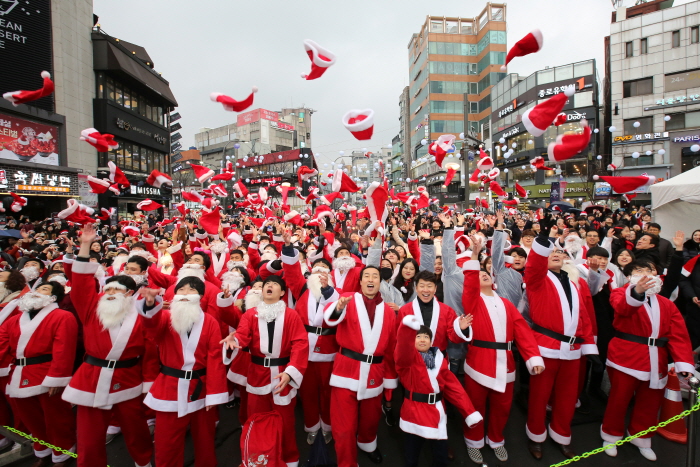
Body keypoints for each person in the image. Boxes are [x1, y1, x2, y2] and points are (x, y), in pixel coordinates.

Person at [63, 223, 154, 467]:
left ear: (130, 294)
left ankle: (143, 461)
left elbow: (150, 353)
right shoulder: (91, 309)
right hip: (91, 376)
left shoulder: (142, 317)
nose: (111, 292)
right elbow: (80, 284)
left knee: (136, 430)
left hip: (128, 377)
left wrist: (148, 382)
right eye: (109, 288)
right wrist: (84, 246)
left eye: (119, 289)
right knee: (89, 436)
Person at [460, 236, 544, 463]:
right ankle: (474, 441)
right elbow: (468, 282)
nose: (482, 275)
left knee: (502, 406)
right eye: (478, 274)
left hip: (505, 362)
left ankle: (496, 439)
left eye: (485, 273)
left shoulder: (506, 304)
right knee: (475, 406)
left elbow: (522, 331)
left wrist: (533, 357)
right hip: (479, 361)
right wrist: (475, 256)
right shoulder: (473, 300)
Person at [602, 261, 695, 461]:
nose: (645, 274)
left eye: (649, 270)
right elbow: (623, 308)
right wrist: (637, 292)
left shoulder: (666, 303)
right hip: (626, 356)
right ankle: (611, 435)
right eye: (639, 271)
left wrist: (684, 362)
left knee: (650, 402)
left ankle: (641, 437)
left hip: (657, 358)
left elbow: (678, 334)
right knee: (619, 400)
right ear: (629, 277)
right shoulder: (620, 293)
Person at [524, 216, 599, 460]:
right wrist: (543, 239)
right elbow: (534, 264)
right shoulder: (537, 280)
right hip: (546, 347)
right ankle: (535, 436)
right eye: (550, 253)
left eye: (559, 252)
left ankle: (561, 433)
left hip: (574, 349)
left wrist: (589, 347)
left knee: (567, 397)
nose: (555, 254)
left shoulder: (576, 284)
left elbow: (584, 319)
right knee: (539, 396)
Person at [138, 277, 229, 467]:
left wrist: (214, 395)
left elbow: (215, 359)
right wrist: (149, 304)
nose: (186, 293)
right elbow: (151, 326)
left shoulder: (210, 321)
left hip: (201, 387)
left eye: (192, 290)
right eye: (182, 289)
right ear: (174, 294)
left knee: (205, 441)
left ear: (200, 297)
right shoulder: (164, 317)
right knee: (167, 443)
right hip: (169, 386)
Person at [222, 274, 308, 467]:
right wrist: (232, 342)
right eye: (267, 284)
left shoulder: (292, 315)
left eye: (275, 284)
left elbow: (300, 344)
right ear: (262, 291)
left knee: (285, 423)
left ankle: (288, 459)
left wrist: (291, 372)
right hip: (257, 375)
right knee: (256, 419)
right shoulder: (250, 314)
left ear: (283, 293)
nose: (269, 286)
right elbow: (242, 337)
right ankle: (255, 459)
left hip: (282, 375)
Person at [323, 266, 398, 467]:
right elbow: (330, 318)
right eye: (367, 276)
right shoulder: (348, 299)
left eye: (375, 276)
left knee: (370, 420)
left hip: (375, 372)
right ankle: (346, 462)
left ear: (380, 282)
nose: (371, 279)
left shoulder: (389, 312)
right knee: (344, 426)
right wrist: (338, 307)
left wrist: (390, 379)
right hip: (346, 370)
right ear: (361, 281)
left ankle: (367, 444)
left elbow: (391, 349)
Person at [0, 281, 78, 467]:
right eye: (37, 288)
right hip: (19, 373)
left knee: (56, 418)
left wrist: (57, 378)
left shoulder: (62, 317)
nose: (36, 292)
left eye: (44, 289)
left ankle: (63, 453)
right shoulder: (14, 320)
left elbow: (64, 349)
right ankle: (43, 451)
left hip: (47, 372)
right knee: (32, 420)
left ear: (53, 297)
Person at [396, 318, 481, 467]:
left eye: (426, 337)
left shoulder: (440, 361)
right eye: (418, 336)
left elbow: (454, 388)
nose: (422, 339)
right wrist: (406, 329)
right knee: (411, 458)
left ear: (431, 341)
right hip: (414, 413)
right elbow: (402, 349)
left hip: (437, 412)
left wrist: (469, 412)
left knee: (441, 458)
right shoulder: (407, 360)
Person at [281, 233, 339, 445]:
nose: (321, 272)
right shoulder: (302, 288)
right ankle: (312, 425)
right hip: (304, 349)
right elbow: (291, 271)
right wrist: (288, 246)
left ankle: (328, 425)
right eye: (318, 269)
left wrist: (329, 291)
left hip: (329, 349)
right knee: (307, 392)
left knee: (327, 391)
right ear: (311, 272)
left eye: (325, 269)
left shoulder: (337, 293)